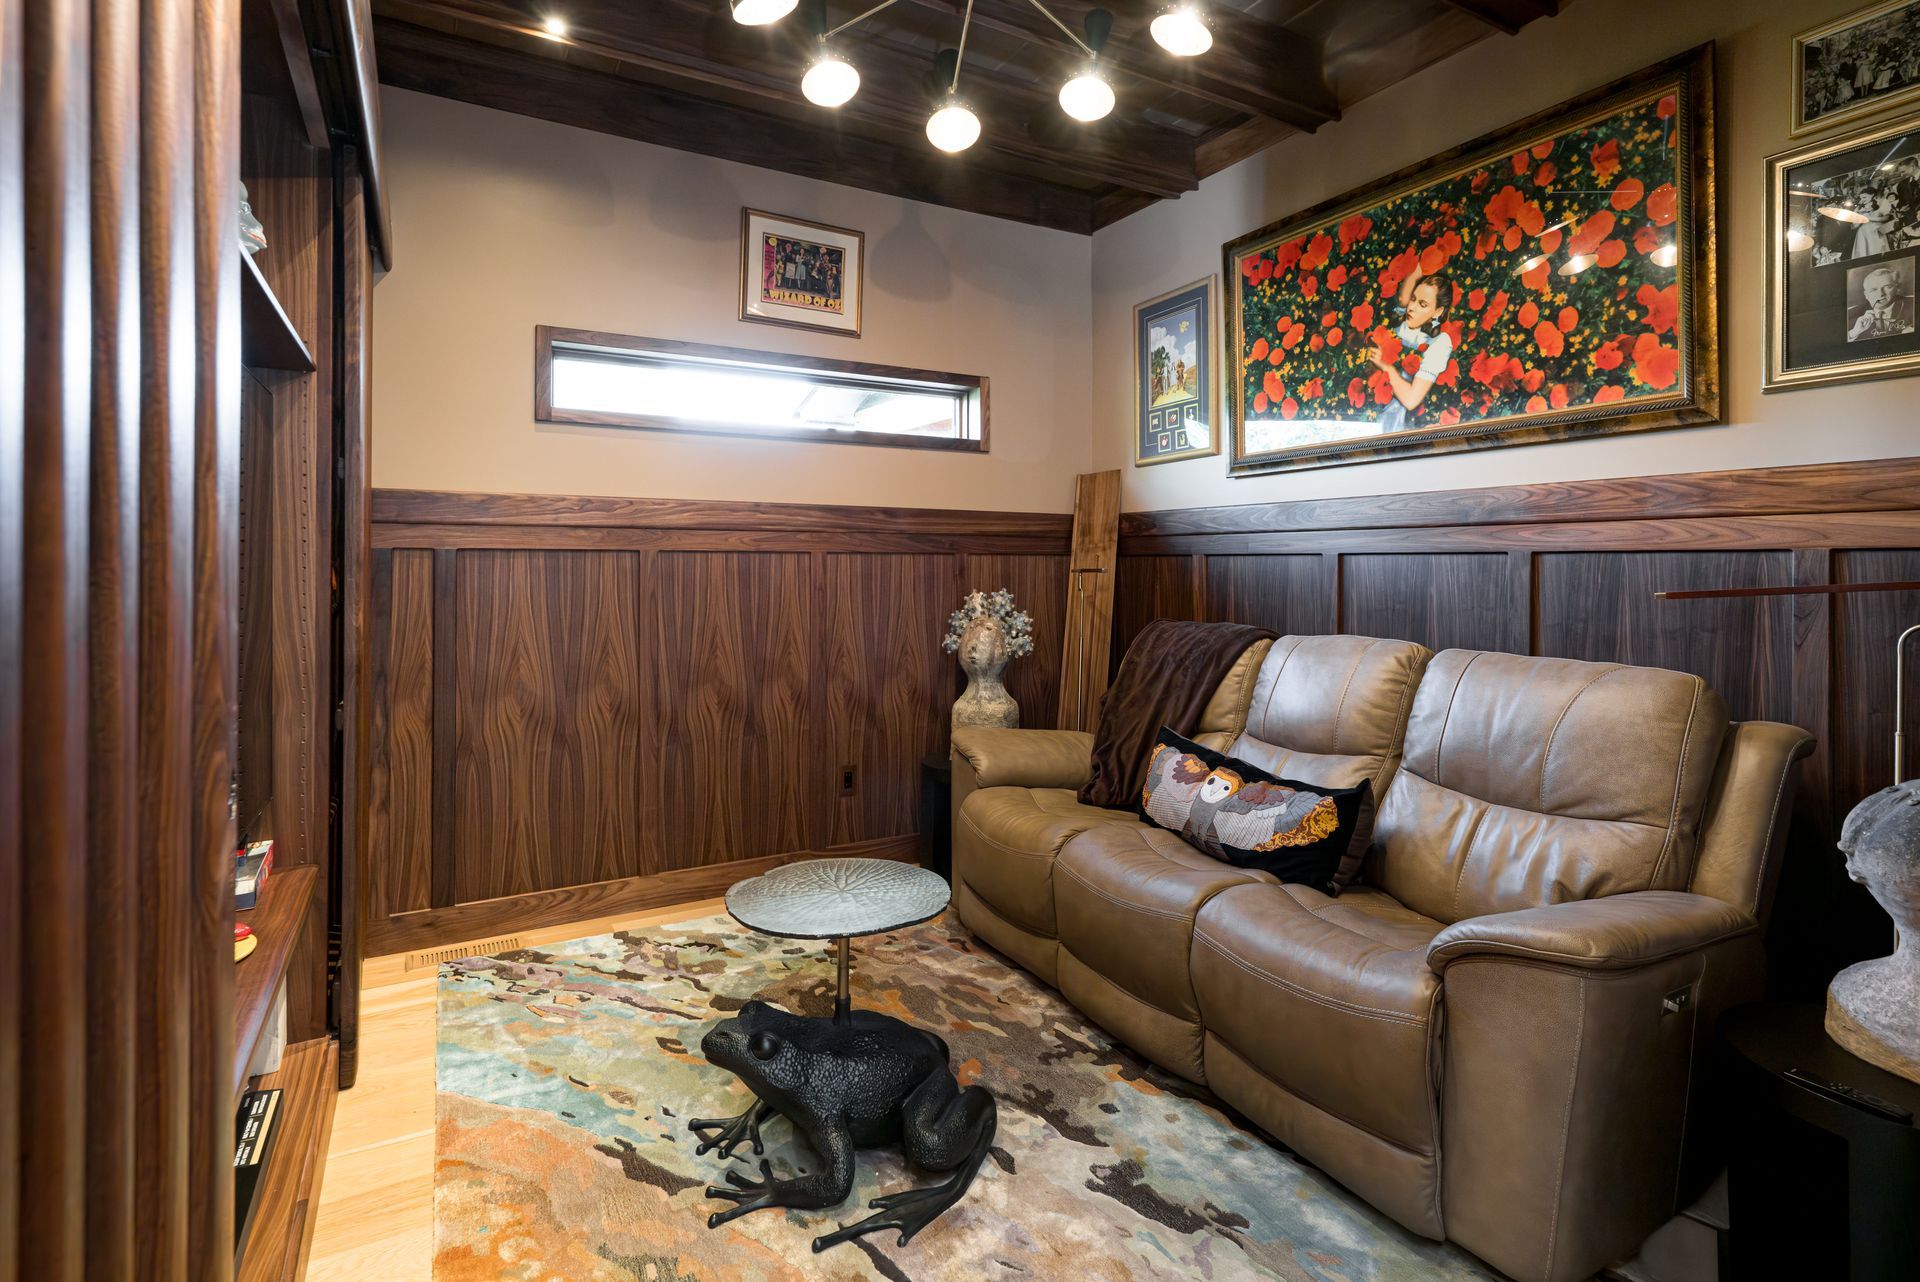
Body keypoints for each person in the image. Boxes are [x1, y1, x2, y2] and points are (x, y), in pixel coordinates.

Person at [1367, 265, 1455, 433]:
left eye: (1422, 304)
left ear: (1438, 311)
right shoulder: (1400, 325)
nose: (1412, 307)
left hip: (1396, 423)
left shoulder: (1439, 343)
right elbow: (1404, 295)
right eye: (1413, 299)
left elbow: (1411, 399)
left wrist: (1384, 365)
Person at [1848, 265, 1916, 342]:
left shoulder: (1914, 305)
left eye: (1887, 287)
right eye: (1873, 290)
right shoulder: (1850, 314)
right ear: (1866, 295)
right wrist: (1853, 332)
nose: (1880, 294)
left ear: (1898, 288)